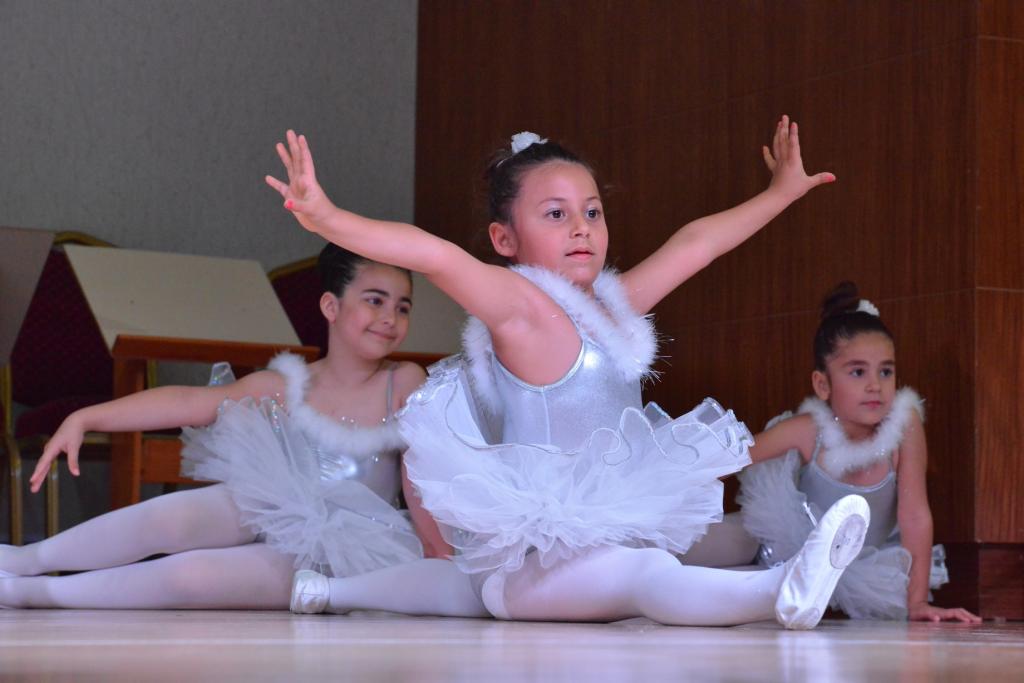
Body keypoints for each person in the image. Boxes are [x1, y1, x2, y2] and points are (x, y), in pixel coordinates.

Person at [268, 118, 866, 629]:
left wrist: (779, 195)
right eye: (556, 214)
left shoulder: (615, 306)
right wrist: (329, 219)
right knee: (645, 574)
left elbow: (696, 244)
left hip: (574, 556)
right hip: (533, 563)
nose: (581, 226)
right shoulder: (519, 309)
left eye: (592, 212)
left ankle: (331, 590)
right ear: (505, 238)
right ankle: (780, 589)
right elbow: (433, 254)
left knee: (466, 584)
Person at [0, 245, 458, 611]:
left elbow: (419, 478)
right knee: (173, 516)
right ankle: (21, 560)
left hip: (348, 552)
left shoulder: (403, 382)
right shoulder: (285, 385)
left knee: (189, 576)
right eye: (375, 301)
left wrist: (439, 553)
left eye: (402, 307)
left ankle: (32, 594)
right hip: (275, 515)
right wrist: (85, 417)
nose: (390, 318)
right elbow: (188, 402)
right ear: (331, 306)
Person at [736, 281, 981, 622]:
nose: (875, 385)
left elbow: (914, 515)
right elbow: (732, 457)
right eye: (857, 372)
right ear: (823, 384)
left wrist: (917, 603)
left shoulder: (904, 427)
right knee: (733, 557)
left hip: (868, 565)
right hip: (793, 553)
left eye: (886, 371)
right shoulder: (807, 430)